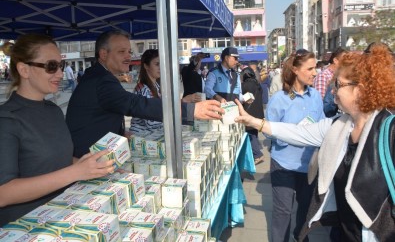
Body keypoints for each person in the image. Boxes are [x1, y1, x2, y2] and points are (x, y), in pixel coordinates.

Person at [234, 43, 395, 242]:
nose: (332, 91)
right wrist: (253, 121)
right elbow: (297, 132)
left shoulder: (390, 130)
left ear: (359, 90)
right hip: (345, 231)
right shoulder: (339, 125)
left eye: (338, 85)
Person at [0, 33, 115, 227]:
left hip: (64, 216)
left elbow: (56, 158)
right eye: (51, 66)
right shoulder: (6, 119)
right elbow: (3, 193)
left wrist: (92, 166)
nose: (61, 74)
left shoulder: (53, 110)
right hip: (27, 227)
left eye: (60, 66)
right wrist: (76, 172)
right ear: (24, 70)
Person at [66, 30, 223, 158]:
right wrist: (190, 109)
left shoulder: (99, 76)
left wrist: (120, 132)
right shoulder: (101, 79)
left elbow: (105, 111)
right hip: (86, 159)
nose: (128, 56)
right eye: (121, 52)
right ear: (103, 54)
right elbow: (135, 104)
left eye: (129, 51)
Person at [264, 49, 325, 242]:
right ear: (296, 70)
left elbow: (322, 123)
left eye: (315, 68)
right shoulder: (279, 99)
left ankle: (300, 238)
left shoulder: (315, 96)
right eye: (310, 68)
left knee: (306, 209)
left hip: (308, 166)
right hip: (283, 165)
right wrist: (293, 134)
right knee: (283, 212)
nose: (315, 73)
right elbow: (268, 130)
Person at [240, 67, 265, 165]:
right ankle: (255, 153)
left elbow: (243, 98)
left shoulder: (245, 85)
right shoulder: (257, 84)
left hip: (249, 112)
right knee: (254, 134)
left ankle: (257, 154)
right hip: (258, 113)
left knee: (250, 135)